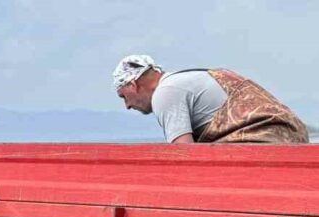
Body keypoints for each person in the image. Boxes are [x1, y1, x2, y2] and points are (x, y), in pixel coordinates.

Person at [113, 54, 309, 144]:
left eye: (124, 96)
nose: (127, 105)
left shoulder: (165, 92)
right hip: (294, 136)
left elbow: (184, 154)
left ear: (133, 85)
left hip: (262, 141)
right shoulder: (192, 77)